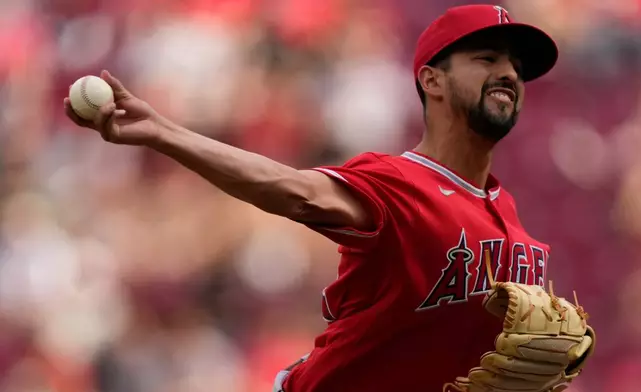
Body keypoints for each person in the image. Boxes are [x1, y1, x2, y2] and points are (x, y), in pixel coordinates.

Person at [64, 4, 577, 392]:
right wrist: (165, 133)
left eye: (516, 66)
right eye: (487, 58)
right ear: (432, 80)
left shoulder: (511, 221)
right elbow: (295, 192)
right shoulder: (397, 183)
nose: (509, 72)